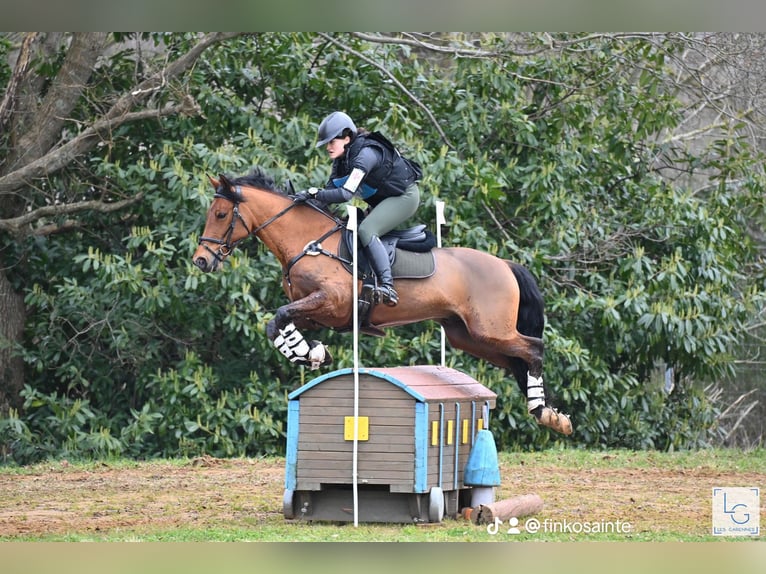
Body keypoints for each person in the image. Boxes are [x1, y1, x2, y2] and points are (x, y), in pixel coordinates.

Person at [295, 111, 422, 306]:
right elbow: (328, 194)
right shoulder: (341, 161)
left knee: (366, 229)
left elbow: (345, 194)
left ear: (347, 137)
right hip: (382, 200)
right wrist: (301, 202)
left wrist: (313, 193)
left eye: (331, 142)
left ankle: (388, 286)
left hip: (404, 197)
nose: (328, 148)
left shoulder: (365, 155)